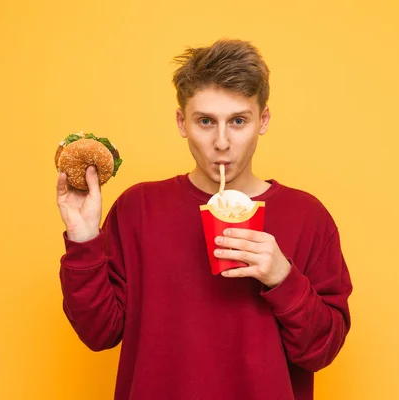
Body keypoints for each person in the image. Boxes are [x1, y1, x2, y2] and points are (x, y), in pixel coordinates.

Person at [56, 38, 353, 400]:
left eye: (239, 121)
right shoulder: (138, 208)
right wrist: (84, 241)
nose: (222, 142)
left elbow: (321, 350)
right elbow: (99, 333)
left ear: (264, 120)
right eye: (206, 121)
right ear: (182, 122)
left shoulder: (308, 216)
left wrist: (282, 277)